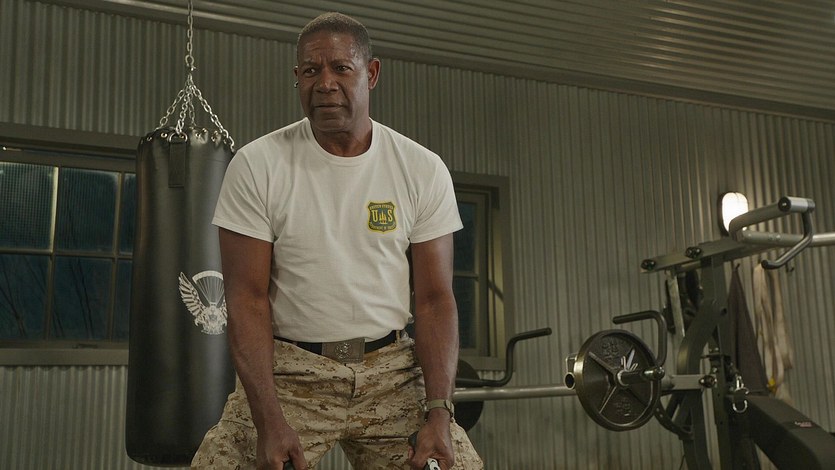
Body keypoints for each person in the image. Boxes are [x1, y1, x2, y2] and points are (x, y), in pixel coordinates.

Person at [191, 11, 483, 470]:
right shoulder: (258, 165)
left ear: (371, 73)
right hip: (291, 373)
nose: (324, 83)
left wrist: (440, 414)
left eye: (341, 68)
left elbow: (434, 300)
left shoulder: (421, 168)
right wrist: (268, 420)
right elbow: (246, 298)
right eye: (311, 70)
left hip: (392, 371)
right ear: (297, 77)